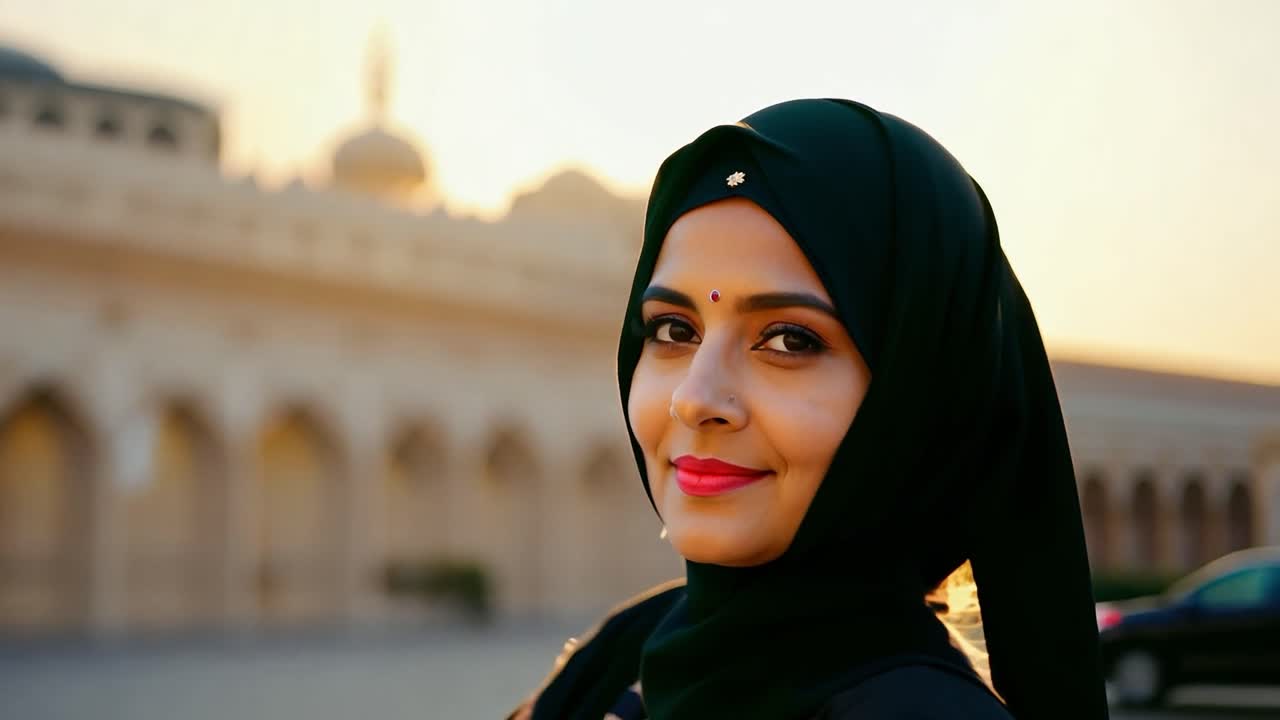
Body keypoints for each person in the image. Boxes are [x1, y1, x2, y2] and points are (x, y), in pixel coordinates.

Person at [508, 98, 1108, 719]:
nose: (694, 398)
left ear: (918, 399)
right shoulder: (628, 653)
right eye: (673, 330)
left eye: (789, 340)